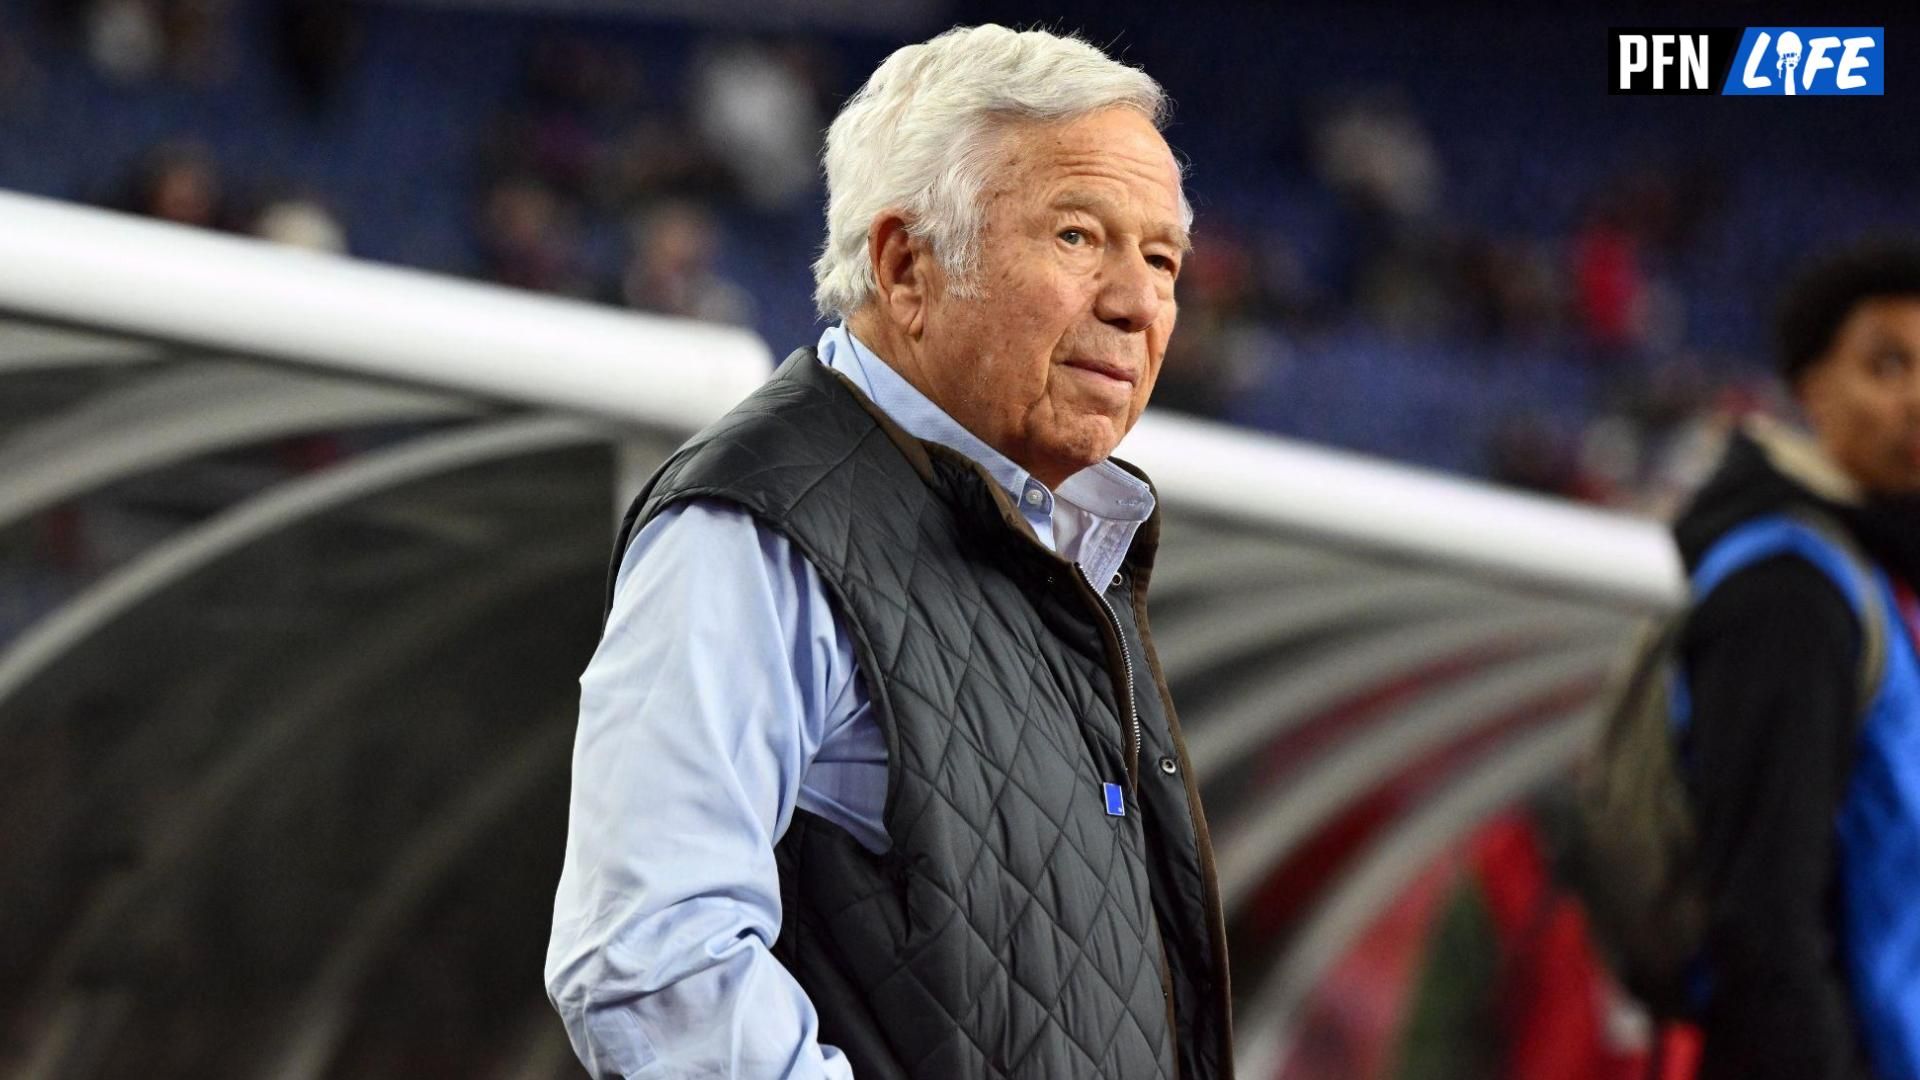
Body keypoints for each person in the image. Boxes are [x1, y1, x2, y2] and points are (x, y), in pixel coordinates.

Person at [545, 24, 1233, 1080]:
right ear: (907, 265)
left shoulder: (1056, 547)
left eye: (1160, 259)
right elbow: (651, 960)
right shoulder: (756, 531)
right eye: (1078, 237)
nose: (1138, 303)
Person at [1671, 243, 1920, 1080]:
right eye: (1888, 364)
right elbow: (1764, 918)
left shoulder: (1875, 580)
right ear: (1812, 387)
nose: (1918, 399)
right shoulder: (1789, 589)